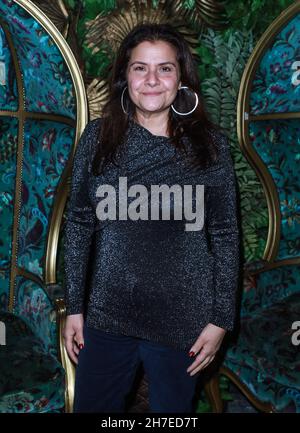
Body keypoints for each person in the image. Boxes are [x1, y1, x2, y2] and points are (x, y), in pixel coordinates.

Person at [63, 22, 240, 413]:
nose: (152, 80)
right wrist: (74, 306)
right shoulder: (96, 139)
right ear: (125, 77)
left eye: (165, 68)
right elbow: (78, 226)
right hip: (109, 314)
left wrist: (221, 319)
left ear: (182, 78)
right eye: (140, 67)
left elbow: (226, 234)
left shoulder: (209, 146)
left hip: (184, 320)